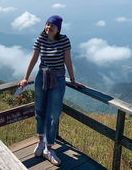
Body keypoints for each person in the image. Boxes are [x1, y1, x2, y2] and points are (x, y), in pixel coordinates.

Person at [19, 15, 84, 166]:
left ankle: (49, 148)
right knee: (39, 110)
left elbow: (68, 60)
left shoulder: (64, 40)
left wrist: (73, 80)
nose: (48, 27)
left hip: (58, 78)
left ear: (58, 29)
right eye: (47, 24)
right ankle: (41, 141)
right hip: (42, 77)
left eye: (52, 26)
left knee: (53, 114)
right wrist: (25, 77)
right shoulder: (40, 39)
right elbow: (34, 59)